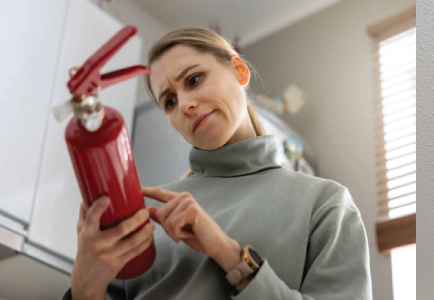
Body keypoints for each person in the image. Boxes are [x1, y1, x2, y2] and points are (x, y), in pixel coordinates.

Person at [65, 27, 371, 299]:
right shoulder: (145, 215)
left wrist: (230, 255)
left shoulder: (325, 203)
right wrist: (84, 288)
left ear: (239, 70)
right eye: (169, 101)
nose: (185, 105)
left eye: (194, 79)